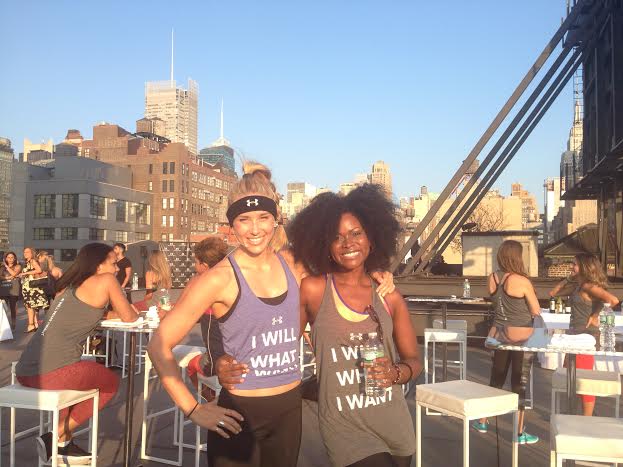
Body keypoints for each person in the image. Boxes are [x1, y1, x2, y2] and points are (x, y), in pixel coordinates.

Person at [149, 162, 396, 467]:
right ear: (232, 224)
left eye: (263, 218)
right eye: (244, 219)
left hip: (288, 411)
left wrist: (377, 273)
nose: (255, 229)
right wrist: (193, 409)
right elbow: (158, 345)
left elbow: (346, 269)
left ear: (276, 218)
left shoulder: (293, 264)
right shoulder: (218, 278)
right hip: (239, 414)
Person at [288, 184, 420, 467]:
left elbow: (414, 361)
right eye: (337, 237)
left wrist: (395, 373)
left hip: (394, 421)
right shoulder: (313, 290)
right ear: (325, 246)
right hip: (344, 427)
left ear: (372, 238)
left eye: (356, 233)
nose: (348, 243)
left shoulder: (389, 296)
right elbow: (283, 344)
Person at [14, 243, 139, 464]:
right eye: (113, 263)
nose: (117, 268)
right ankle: (56, 436)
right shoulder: (107, 280)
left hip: (25, 370)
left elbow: (92, 313)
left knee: (81, 379)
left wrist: (114, 314)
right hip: (52, 372)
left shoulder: (70, 286)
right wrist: (139, 309)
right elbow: (129, 317)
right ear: (99, 266)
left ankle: (63, 444)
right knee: (110, 382)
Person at [473, 240, 541, 444]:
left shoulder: (492, 278)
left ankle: (483, 420)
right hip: (522, 335)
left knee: (497, 377)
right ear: (516, 257)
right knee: (519, 382)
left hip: (500, 334)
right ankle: (519, 432)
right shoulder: (522, 281)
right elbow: (535, 310)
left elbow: (495, 301)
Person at [549, 253, 620, 416]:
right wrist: (569, 278)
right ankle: (573, 413)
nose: (571, 266)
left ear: (585, 267)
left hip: (585, 337)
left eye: (574, 264)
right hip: (574, 336)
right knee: (571, 377)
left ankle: (586, 418)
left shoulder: (588, 286)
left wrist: (595, 315)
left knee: (582, 381)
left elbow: (613, 300)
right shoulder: (578, 285)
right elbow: (553, 293)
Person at [186, 237, 229, 400]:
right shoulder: (230, 281)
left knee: (192, 365)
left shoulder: (203, 285)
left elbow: (189, 313)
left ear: (204, 265)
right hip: (236, 360)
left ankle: (211, 401)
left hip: (216, 364)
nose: (194, 266)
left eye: (196, 262)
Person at [19, 247, 48, 332]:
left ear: (32, 253)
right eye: (24, 252)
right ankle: (35, 324)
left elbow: (39, 270)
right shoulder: (27, 262)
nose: (25, 253)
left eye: (27, 252)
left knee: (30, 306)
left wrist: (25, 273)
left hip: (31, 287)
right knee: (31, 306)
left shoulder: (32, 261)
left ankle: (31, 325)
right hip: (27, 287)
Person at [1, 251, 22, 331]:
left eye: (12, 257)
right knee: (3, 308)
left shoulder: (18, 266)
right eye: (8, 257)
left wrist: (7, 267)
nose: (10, 259)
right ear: (6, 258)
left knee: (13, 308)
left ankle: (13, 324)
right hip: (3, 290)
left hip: (14, 290)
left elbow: (14, 273)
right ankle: (4, 324)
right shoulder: (2, 267)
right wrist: (8, 278)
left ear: (14, 258)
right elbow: (0, 276)